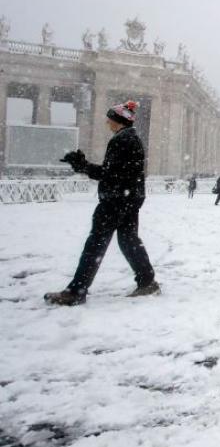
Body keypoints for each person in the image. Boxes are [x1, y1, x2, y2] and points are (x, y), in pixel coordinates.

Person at [45, 100, 160, 306]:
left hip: (115, 201)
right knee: (128, 240)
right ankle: (147, 281)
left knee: (95, 244)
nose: (108, 123)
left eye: (110, 120)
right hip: (129, 199)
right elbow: (122, 174)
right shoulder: (132, 139)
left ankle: (76, 291)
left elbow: (109, 175)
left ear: (119, 121)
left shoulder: (121, 140)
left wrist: (83, 166)